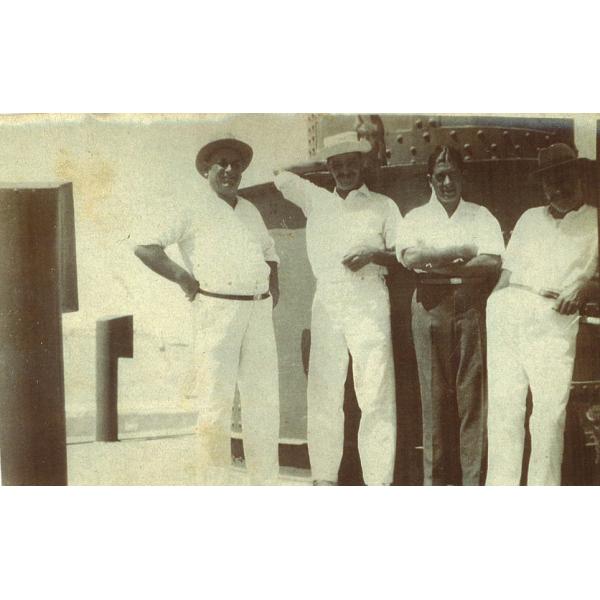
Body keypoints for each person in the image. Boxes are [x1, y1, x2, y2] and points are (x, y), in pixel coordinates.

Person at [133, 136, 280, 484]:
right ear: (206, 170)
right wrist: (184, 278)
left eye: (236, 165)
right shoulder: (190, 206)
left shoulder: (249, 209)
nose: (230, 171)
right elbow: (145, 247)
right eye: (222, 164)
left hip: (258, 313)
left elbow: (270, 252)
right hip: (217, 312)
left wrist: (273, 290)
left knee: (263, 405)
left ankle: (266, 485)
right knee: (215, 406)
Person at [274, 131, 400, 485]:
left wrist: (373, 254)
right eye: (337, 164)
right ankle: (324, 479)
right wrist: (319, 160)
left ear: (362, 165)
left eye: (351, 163)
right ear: (328, 168)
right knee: (324, 392)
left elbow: (402, 255)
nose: (345, 171)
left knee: (375, 391)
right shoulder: (315, 199)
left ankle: (379, 481)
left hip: (369, 296)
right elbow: (279, 173)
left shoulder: (383, 205)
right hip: (328, 299)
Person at [486, 143, 598, 486]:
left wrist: (584, 287)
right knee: (504, 412)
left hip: (553, 318)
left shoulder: (595, 219)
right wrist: (495, 306)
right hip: (509, 313)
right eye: (549, 182)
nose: (557, 188)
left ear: (578, 175)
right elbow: (506, 274)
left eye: (563, 179)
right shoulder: (529, 218)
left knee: (548, 418)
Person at [396, 146, 504, 485]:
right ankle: (436, 485)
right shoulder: (415, 218)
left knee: (472, 399)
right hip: (429, 307)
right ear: (430, 179)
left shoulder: (481, 215)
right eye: (440, 176)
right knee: (433, 401)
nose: (447, 182)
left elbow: (491, 261)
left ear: (462, 176)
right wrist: (458, 251)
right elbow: (411, 257)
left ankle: (473, 484)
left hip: (469, 306)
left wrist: (435, 262)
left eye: (453, 175)